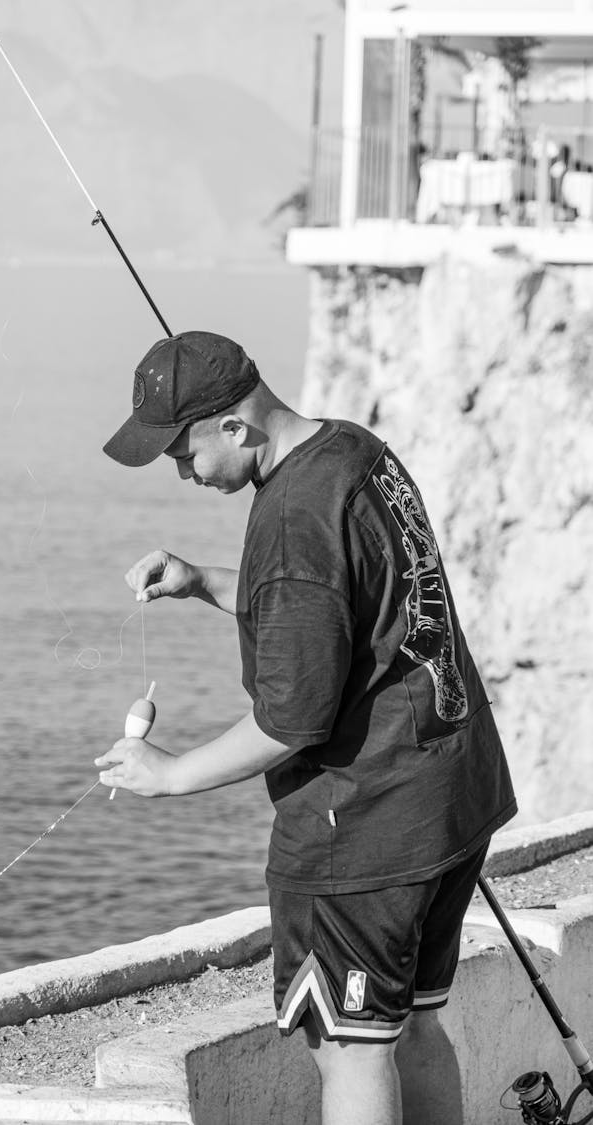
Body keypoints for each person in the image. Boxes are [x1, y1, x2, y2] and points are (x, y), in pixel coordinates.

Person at [96, 330, 516, 1125]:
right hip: (450, 794)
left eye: (183, 453)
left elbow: (290, 720)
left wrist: (170, 771)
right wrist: (202, 581)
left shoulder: (292, 517)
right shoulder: (354, 452)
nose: (181, 473)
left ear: (235, 425)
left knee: (349, 1046)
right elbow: (333, 606)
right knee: (410, 1024)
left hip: (363, 827)